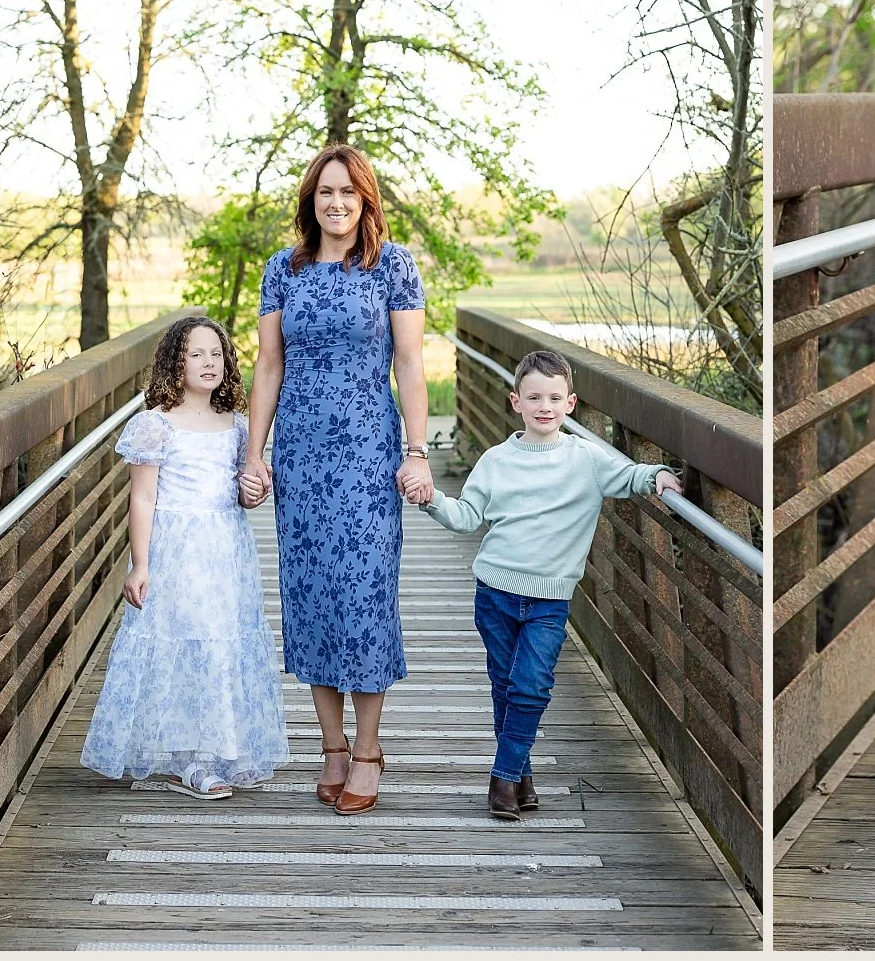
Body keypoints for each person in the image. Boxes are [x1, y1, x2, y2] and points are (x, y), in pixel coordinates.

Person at [415, 349, 682, 820]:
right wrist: (432, 498)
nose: (544, 406)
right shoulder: (496, 461)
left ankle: (503, 777)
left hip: (549, 599)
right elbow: (467, 516)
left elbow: (629, 475)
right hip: (494, 592)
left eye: (554, 398)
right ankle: (521, 773)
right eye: (534, 397)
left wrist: (658, 475)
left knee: (532, 685)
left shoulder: (585, 459)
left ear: (571, 403)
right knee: (505, 683)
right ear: (515, 401)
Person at [243, 145, 430, 816]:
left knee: (365, 594)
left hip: (369, 454)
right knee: (312, 592)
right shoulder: (281, 270)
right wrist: (254, 454)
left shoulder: (392, 266)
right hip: (300, 454)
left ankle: (371, 748)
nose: (337, 204)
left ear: (366, 200)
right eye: (325, 192)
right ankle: (332, 746)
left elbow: (410, 365)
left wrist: (417, 451)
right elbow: (268, 366)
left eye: (349, 193)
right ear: (310, 201)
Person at [81, 315, 288, 797]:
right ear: (175, 361)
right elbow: (143, 499)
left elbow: (241, 492)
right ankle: (186, 758)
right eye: (196, 353)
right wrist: (141, 563)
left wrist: (253, 491)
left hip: (225, 551)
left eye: (216, 353)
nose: (208, 362)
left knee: (220, 643)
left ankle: (217, 749)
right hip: (177, 552)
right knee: (185, 643)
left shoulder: (237, 426)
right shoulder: (155, 426)